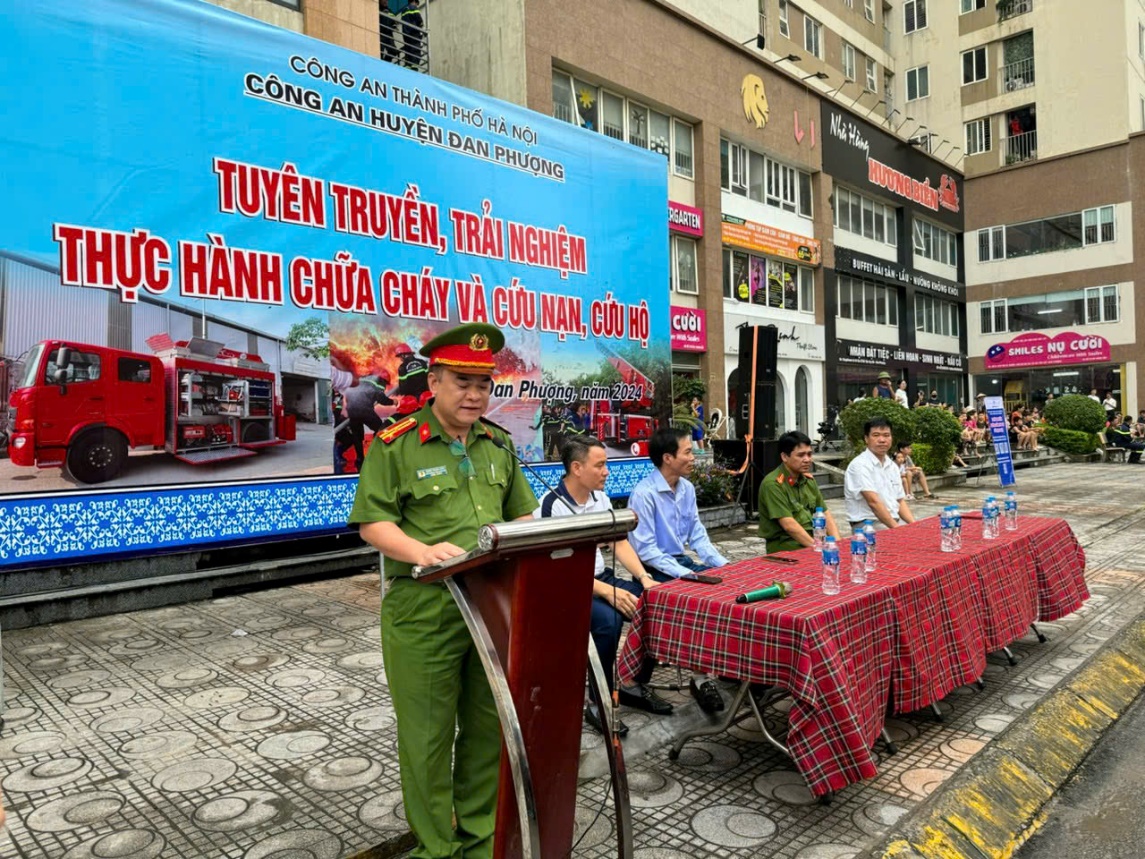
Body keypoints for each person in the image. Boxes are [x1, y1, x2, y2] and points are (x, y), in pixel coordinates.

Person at [348, 323, 538, 859]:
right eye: (462, 382)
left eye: (484, 384)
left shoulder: (497, 445)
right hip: (425, 611)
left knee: (485, 728)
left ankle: (479, 840)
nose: (476, 395)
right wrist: (421, 551)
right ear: (433, 381)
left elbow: (521, 514)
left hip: (490, 606)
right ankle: (437, 848)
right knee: (428, 739)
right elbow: (373, 523)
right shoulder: (396, 445)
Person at [533, 436, 656, 736]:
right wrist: (606, 592)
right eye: (600, 465)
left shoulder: (599, 499)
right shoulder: (550, 506)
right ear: (576, 468)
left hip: (599, 578)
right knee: (609, 621)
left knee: (654, 602)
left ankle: (632, 683)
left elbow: (618, 541)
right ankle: (596, 700)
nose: (606, 472)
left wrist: (643, 578)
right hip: (565, 586)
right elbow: (555, 568)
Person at [627, 426, 729, 714]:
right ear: (668, 458)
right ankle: (700, 679)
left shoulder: (687, 489)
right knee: (695, 605)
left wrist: (723, 564)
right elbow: (646, 549)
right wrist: (687, 575)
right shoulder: (644, 494)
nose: (694, 457)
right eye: (688, 451)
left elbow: (697, 536)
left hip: (679, 562)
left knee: (725, 593)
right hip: (653, 567)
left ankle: (723, 669)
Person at [759, 430, 839, 552]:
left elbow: (825, 513)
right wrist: (819, 549)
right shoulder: (773, 484)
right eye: (801, 455)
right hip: (787, 548)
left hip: (813, 543)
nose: (807, 459)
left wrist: (837, 543)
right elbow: (789, 525)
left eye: (809, 454)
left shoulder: (808, 480)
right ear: (784, 457)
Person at [844, 417, 916, 531]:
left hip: (892, 522)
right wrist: (897, 530)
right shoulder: (859, 465)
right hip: (868, 525)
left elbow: (899, 500)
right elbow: (873, 502)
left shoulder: (892, 466)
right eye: (876, 435)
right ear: (866, 439)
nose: (882, 440)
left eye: (886, 435)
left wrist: (914, 526)